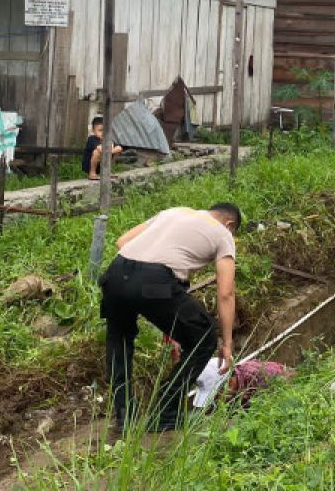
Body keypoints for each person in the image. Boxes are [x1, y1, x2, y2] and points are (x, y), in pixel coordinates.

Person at [99, 203, 241, 432]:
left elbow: (122, 242)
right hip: (153, 283)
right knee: (204, 337)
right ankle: (166, 413)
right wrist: (227, 343)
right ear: (230, 224)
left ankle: (124, 415)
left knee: (119, 341)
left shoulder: (174, 212)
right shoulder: (223, 234)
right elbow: (226, 293)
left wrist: (167, 317)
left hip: (115, 275)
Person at [83, 116, 123, 180]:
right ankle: (92, 173)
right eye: (100, 130)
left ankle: (106, 172)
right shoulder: (92, 139)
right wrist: (111, 150)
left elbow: (120, 148)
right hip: (90, 165)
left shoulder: (108, 139)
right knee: (97, 152)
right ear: (94, 131)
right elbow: (101, 149)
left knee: (116, 149)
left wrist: (112, 150)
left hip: (102, 165)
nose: (103, 133)